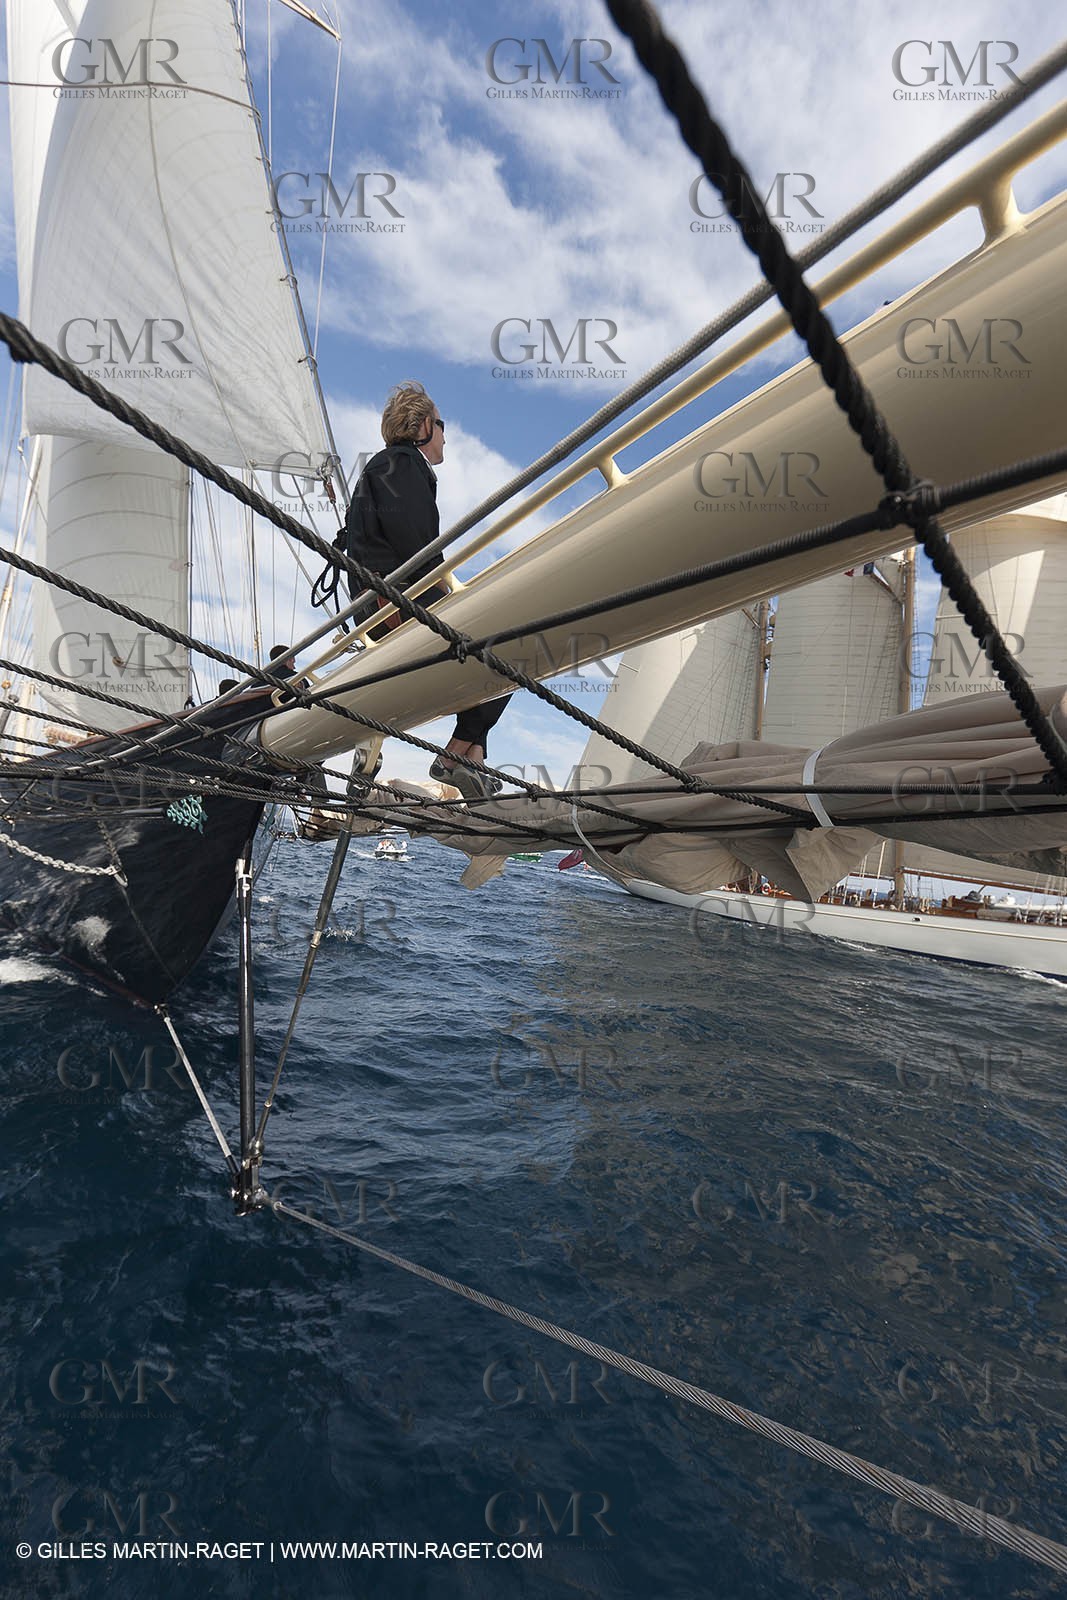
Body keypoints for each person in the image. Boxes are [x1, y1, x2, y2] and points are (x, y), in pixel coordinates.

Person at [341, 381, 511, 800]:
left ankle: (474, 756)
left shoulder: (384, 468)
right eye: (441, 424)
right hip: (397, 612)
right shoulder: (401, 465)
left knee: (498, 641)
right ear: (421, 426)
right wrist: (459, 601)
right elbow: (420, 554)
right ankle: (456, 754)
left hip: (380, 611)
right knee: (516, 636)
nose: (446, 434)